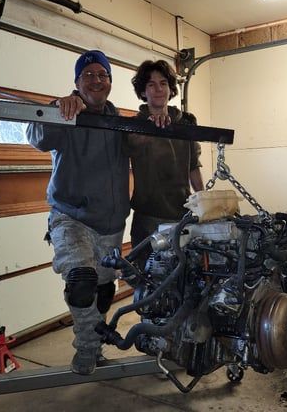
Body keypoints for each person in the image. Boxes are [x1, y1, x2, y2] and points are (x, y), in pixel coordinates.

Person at [26, 50, 130, 375]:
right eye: (88, 75)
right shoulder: (67, 113)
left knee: (102, 290)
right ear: (77, 82)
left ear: (110, 81)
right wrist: (55, 109)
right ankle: (86, 350)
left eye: (102, 74)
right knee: (82, 281)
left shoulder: (119, 123)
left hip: (111, 222)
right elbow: (36, 137)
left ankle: (95, 349)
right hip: (71, 216)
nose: (96, 80)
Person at [126, 60, 204, 257]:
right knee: (148, 280)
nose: (158, 89)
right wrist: (149, 130)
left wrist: (204, 203)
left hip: (182, 215)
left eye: (163, 83)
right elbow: (129, 147)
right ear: (143, 92)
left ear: (171, 89)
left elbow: (193, 166)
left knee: (184, 280)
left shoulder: (186, 124)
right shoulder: (133, 126)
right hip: (147, 218)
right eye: (151, 85)